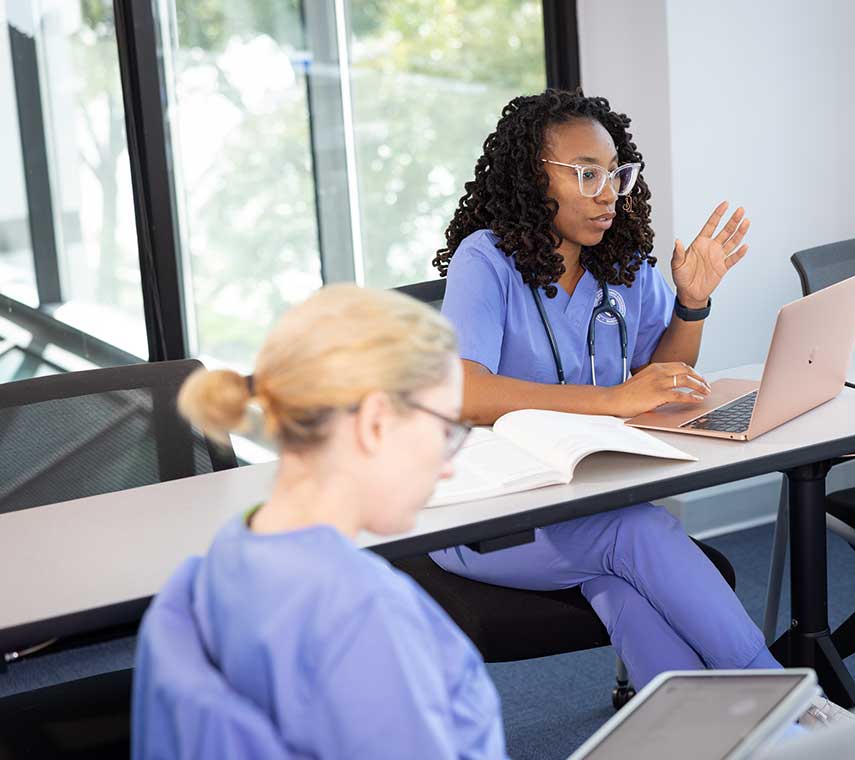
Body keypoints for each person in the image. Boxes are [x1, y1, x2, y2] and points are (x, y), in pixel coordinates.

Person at [429, 89, 781, 690]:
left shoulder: (625, 262)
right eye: (585, 174)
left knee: (623, 583)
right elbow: (463, 391)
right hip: (487, 513)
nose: (608, 191)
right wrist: (611, 401)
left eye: (616, 172)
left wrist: (692, 306)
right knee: (635, 532)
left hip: (590, 500)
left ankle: (707, 735)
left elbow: (661, 380)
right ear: (528, 177)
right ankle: (791, 701)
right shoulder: (484, 259)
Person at [134, 285, 508, 758]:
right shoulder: (362, 617)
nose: (449, 463)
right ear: (375, 422)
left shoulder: (228, 552)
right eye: (446, 430)